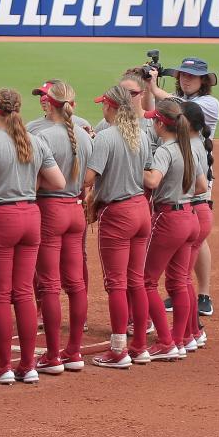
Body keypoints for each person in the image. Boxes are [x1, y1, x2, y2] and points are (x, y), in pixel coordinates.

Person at [0, 88, 65, 385]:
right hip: (31, 216)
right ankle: (28, 365)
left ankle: (5, 366)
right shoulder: (36, 142)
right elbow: (58, 182)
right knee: (23, 292)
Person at [84, 85, 153, 369]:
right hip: (141, 210)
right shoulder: (142, 134)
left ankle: (118, 349)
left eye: (104, 105)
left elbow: (88, 179)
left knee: (116, 283)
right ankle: (140, 347)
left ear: (111, 107)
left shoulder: (106, 138)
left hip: (118, 215)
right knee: (136, 281)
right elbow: (148, 175)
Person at [148, 57, 219, 317]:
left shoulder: (209, 103)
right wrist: (150, 90)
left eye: (193, 76)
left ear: (204, 80)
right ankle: (181, 294)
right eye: (183, 75)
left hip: (196, 182)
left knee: (197, 239)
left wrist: (156, 89)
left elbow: (183, 110)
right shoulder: (173, 100)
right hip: (180, 173)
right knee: (185, 243)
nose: (186, 79)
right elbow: (157, 115)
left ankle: (204, 295)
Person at [32, 80, 92, 374]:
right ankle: (75, 352)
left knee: (50, 285)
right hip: (76, 210)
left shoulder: (43, 136)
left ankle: (53, 356)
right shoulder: (86, 135)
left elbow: (35, 179)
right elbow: (90, 179)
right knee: (76, 283)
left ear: (51, 103)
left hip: (50, 210)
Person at [141, 98, 207, 360]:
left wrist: (136, 166)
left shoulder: (165, 150)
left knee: (146, 281)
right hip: (192, 216)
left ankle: (166, 342)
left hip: (169, 219)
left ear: (160, 124)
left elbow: (153, 180)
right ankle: (182, 340)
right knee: (180, 280)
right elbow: (201, 186)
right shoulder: (189, 147)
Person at [179, 101, 213, 350]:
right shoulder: (197, 143)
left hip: (193, 211)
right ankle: (193, 330)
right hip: (202, 212)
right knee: (182, 278)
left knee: (179, 279)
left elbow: (199, 187)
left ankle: (189, 333)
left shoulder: (189, 147)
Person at [26, 80, 93, 136]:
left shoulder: (82, 124)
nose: (43, 99)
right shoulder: (31, 127)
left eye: (47, 95)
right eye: (41, 95)